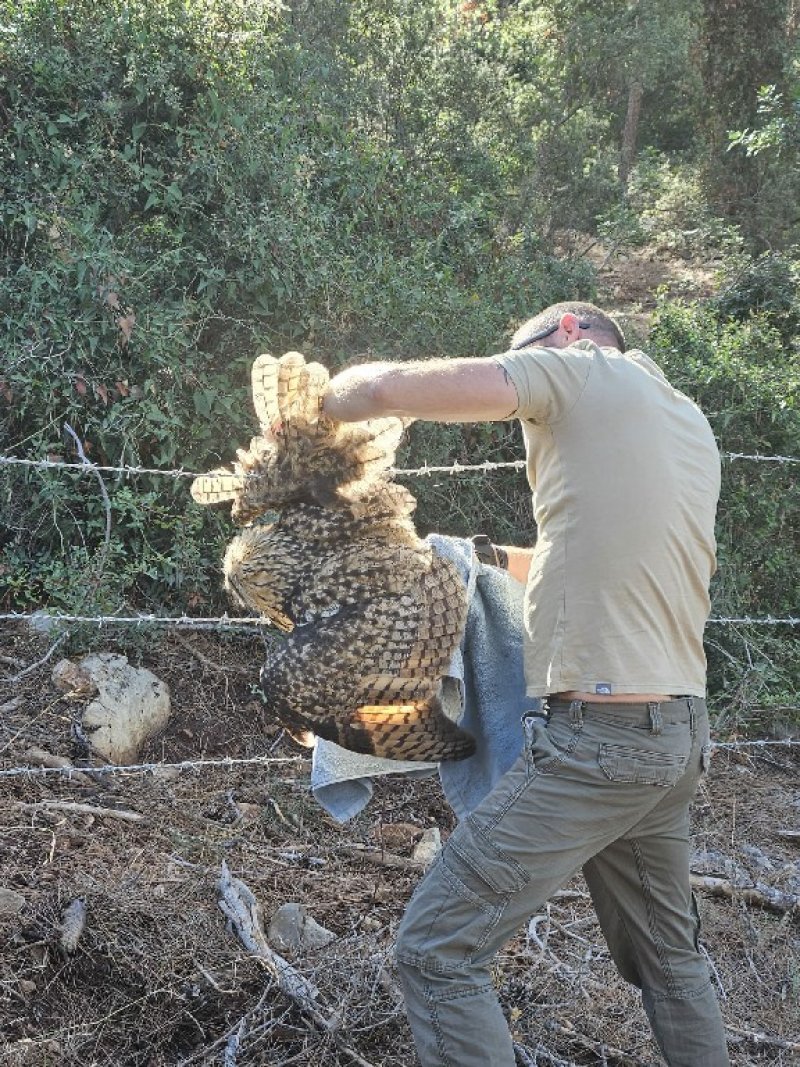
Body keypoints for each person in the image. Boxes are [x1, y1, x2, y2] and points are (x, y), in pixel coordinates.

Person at [321, 301, 728, 1067]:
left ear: (569, 331)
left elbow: (386, 392)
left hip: (600, 745)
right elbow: (585, 565)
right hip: (675, 736)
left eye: (525, 362)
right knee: (670, 960)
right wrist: (470, 558)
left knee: (435, 950)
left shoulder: (579, 370)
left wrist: (323, 399)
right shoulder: (683, 421)